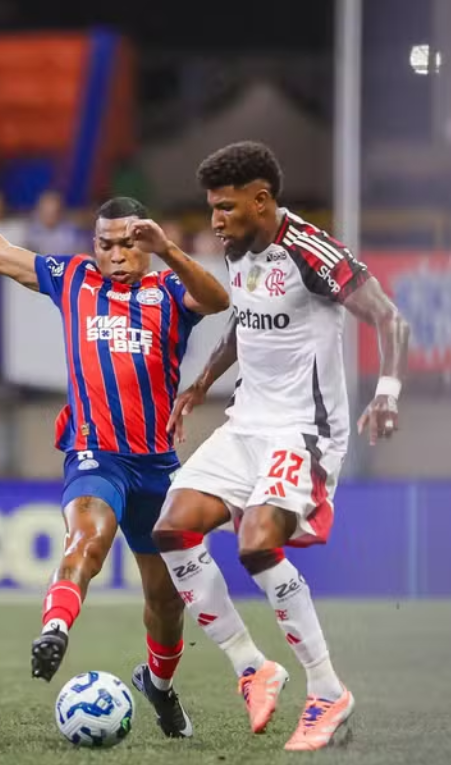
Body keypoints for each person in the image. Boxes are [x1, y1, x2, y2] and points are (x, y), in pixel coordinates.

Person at [0, 160, 231, 738]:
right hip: (95, 453)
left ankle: (158, 684)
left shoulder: (170, 291)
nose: (117, 255)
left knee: (166, 599)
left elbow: (219, 299)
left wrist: (170, 250)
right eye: (106, 245)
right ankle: (55, 629)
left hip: (157, 467)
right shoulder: (73, 278)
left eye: (129, 244)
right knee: (87, 540)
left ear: (147, 245)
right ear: (93, 246)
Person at [153, 142, 411, 752]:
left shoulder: (312, 252)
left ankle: (326, 689)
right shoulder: (238, 250)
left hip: (304, 430)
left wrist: (388, 393)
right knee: (172, 528)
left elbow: (390, 319)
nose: (215, 220)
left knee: (255, 542)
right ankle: (252, 666)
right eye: (212, 208)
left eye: (225, 207)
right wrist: (202, 383)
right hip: (246, 424)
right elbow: (244, 320)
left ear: (261, 200)